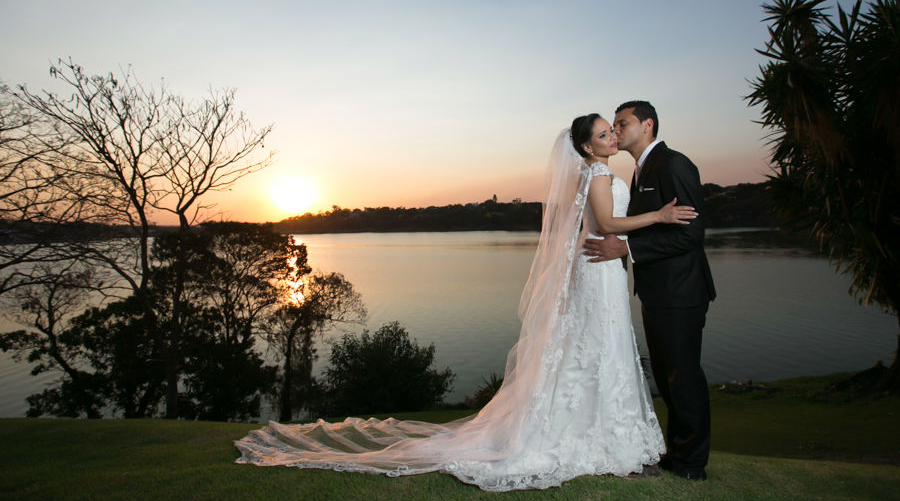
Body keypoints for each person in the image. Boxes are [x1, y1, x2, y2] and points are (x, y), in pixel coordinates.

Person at [234, 114, 697, 491]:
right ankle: (595, 435)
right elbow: (606, 223)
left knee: (597, 347)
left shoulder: (599, 171)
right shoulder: (597, 173)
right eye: (603, 133)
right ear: (585, 146)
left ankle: (601, 432)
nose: (612, 136)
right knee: (597, 345)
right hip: (598, 269)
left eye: (613, 129)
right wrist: (659, 215)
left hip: (602, 267)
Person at [583, 101, 716, 481]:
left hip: (681, 292)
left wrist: (627, 249)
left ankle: (691, 464)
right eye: (613, 126)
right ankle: (677, 452)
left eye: (622, 123)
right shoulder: (641, 169)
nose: (616, 131)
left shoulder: (674, 164)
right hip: (656, 292)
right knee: (668, 375)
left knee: (684, 376)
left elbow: (690, 235)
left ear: (648, 125)